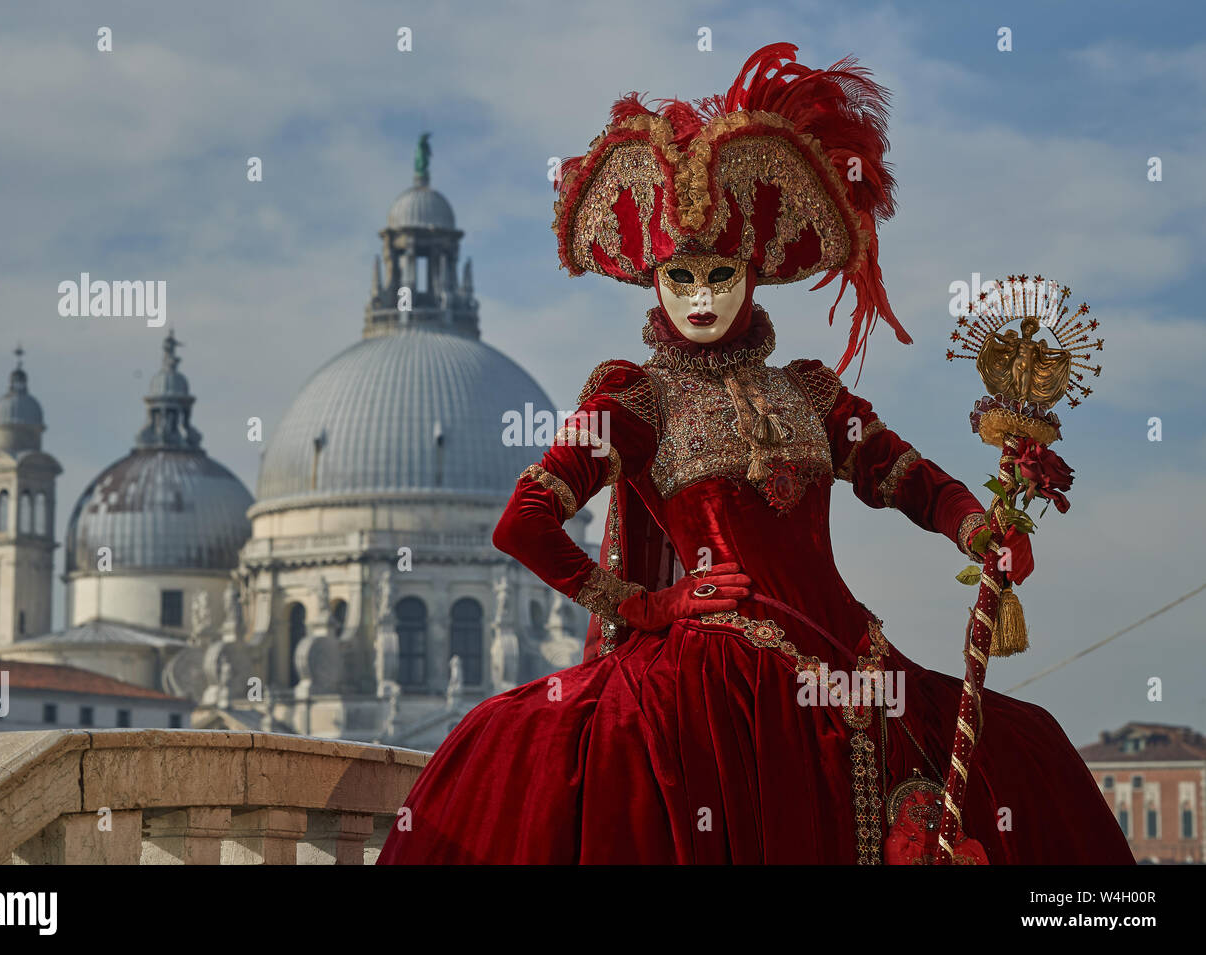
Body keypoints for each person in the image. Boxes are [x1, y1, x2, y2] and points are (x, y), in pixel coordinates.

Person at [378, 42, 1133, 865]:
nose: (701, 297)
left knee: (1025, 749)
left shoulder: (809, 393)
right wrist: (646, 607)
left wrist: (978, 528)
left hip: (849, 664)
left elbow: (906, 477)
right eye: (680, 276)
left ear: (754, 271)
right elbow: (523, 523)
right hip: (711, 681)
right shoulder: (638, 401)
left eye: (720, 272)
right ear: (654, 280)